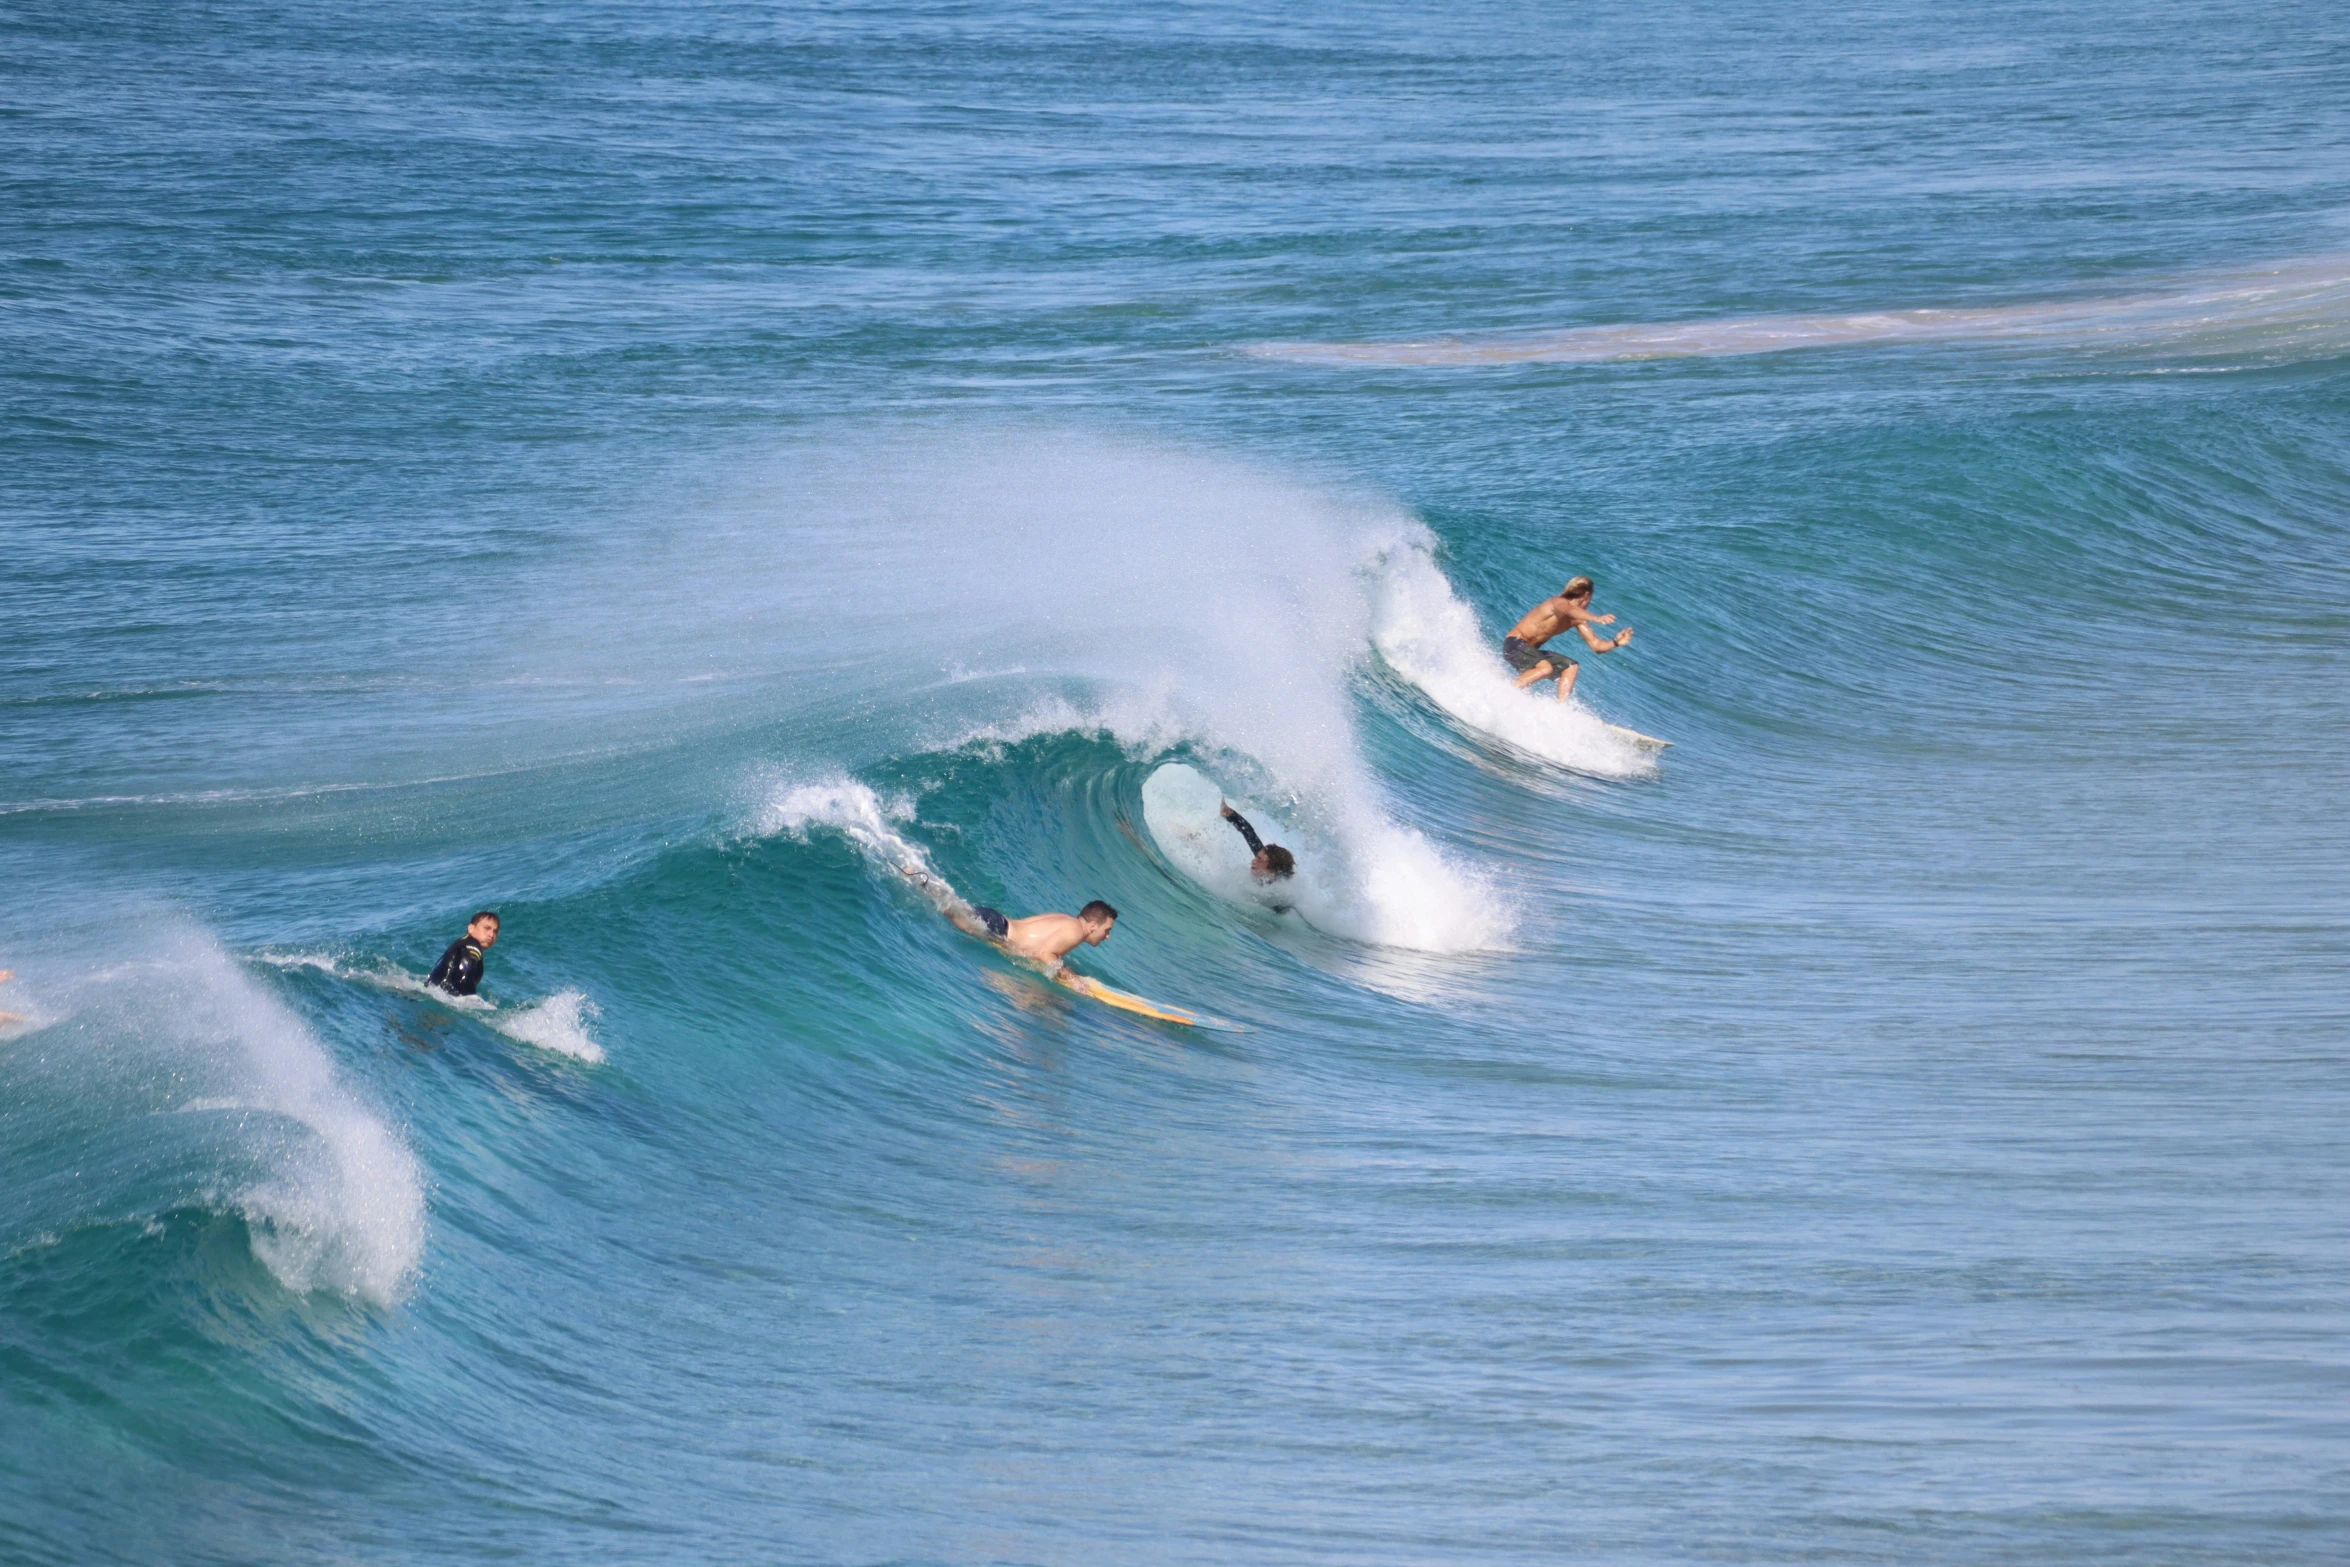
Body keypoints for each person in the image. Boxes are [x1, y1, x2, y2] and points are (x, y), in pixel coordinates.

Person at [1502, 574, 1634, 702]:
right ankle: (1506, 694)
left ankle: (1560, 709)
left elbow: (1597, 646)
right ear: (1587, 595)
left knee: (1571, 666)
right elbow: (1570, 610)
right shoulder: (1557, 602)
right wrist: (1596, 618)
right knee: (1546, 668)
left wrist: (1616, 642)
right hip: (1514, 644)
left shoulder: (1578, 620)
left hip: (1531, 652)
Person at [1219, 801, 1296, 882]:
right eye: (1257, 857)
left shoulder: (1279, 891)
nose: (1254, 861)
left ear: (1272, 870)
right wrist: (1230, 815)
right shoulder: (1265, 860)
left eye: (1259, 860)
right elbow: (1249, 833)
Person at [427, 912, 500, 997]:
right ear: (471, 928)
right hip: (440, 996)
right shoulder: (472, 946)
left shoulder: (463, 943)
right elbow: (466, 976)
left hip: (430, 990)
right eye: (487, 928)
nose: (491, 935)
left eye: (495, 931)